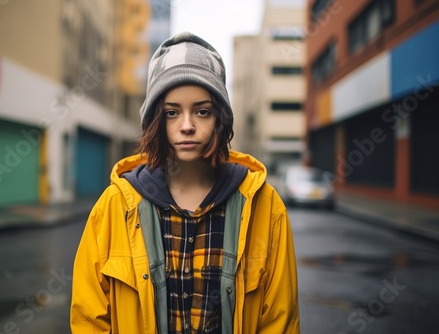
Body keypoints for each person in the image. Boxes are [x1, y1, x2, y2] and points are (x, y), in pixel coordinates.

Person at [70, 32, 300, 333]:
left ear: (220, 118)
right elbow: (89, 317)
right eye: (172, 112)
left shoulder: (265, 206)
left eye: (202, 111)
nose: (187, 125)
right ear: (156, 119)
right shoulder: (115, 206)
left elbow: (280, 320)